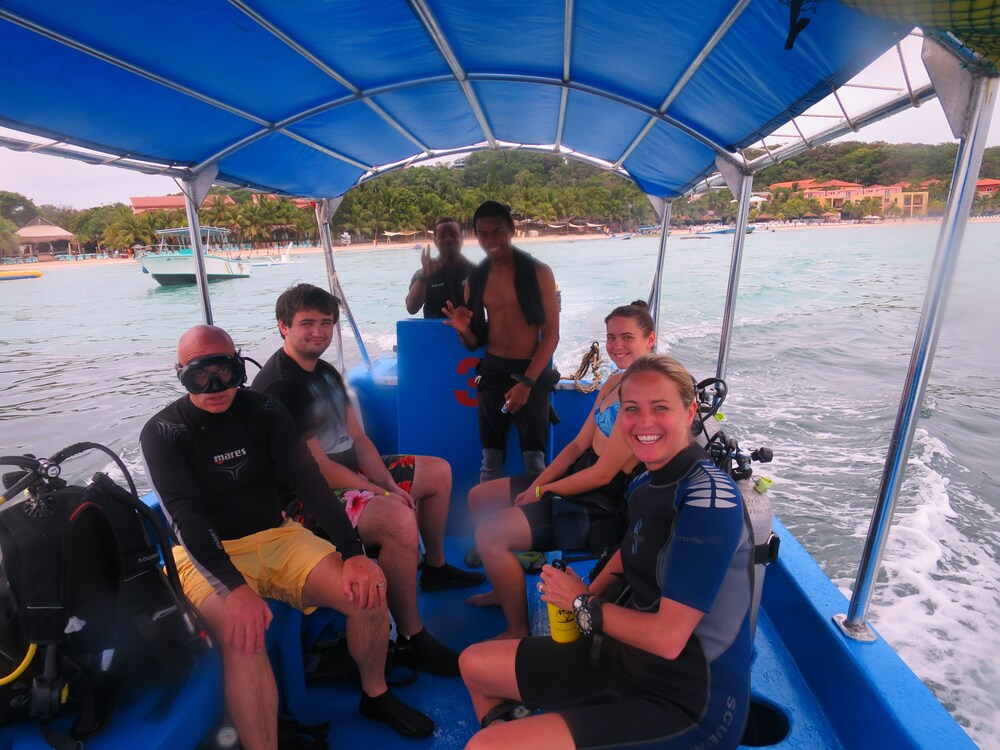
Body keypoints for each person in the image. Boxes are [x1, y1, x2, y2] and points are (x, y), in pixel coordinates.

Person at [140, 325, 434, 750]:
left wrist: (353, 553)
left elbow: (308, 481)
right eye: (199, 375)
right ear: (179, 374)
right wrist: (234, 588)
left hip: (277, 536)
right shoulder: (165, 431)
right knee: (244, 636)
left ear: (239, 365)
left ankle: (376, 695)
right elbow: (185, 518)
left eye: (225, 371)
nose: (215, 386)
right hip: (205, 555)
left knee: (369, 590)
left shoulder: (264, 410)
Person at [459, 353, 754, 750]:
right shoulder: (645, 484)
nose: (644, 422)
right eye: (631, 409)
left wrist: (582, 604)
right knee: (473, 665)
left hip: (684, 703)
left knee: (484, 747)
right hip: (624, 658)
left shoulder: (708, 501)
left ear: (689, 413)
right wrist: (587, 591)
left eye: (660, 408)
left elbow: (669, 639)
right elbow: (627, 553)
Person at [251, 284, 485, 675]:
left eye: (326, 322)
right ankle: (410, 636)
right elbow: (319, 471)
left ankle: (435, 567)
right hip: (301, 499)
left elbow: (359, 439)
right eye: (307, 323)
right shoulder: (281, 386)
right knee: (398, 519)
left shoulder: (325, 373)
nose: (318, 332)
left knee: (438, 472)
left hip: (345, 474)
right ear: (283, 327)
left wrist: (390, 486)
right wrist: (383, 495)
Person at [466, 301, 656, 639]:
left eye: (627, 337)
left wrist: (544, 490)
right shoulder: (615, 380)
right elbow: (577, 445)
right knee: (479, 497)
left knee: (489, 535)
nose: (616, 346)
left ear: (650, 340)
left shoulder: (644, 397)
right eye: (611, 337)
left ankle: (517, 629)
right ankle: (504, 588)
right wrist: (538, 484)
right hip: (577, 478)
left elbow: (603, 475)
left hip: (598, 503)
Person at [444, 200, 560, 482]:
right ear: (476, 236)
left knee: (535, 463)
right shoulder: (476, 279)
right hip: (493, 373)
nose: (490, 240)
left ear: (512, 230)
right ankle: (489, 512)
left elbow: (551, 336)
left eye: (498, 231)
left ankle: (537, 512)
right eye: (483, 234)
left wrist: (527, 383)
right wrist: (462, 330)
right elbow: (473, 344)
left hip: (530, 371)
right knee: (490, 462)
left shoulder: (539, 273)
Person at [405, 216, 474, 318]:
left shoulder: (475, 271)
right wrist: (423, 277)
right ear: (435, 242)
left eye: (453, 234)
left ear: (462, 239)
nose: (448, 239)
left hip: (470, 328)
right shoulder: (423, 273)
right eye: (442, 235)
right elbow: (411, 309)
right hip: (436, 328)